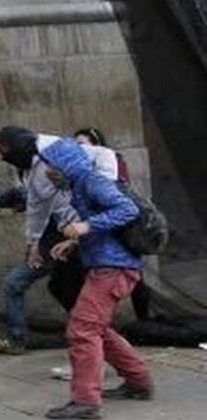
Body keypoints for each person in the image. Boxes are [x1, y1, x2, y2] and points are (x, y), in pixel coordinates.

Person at [38, 138, 153, 419]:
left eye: (52, 165)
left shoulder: (92, 182)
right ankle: (138, 382)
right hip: (108, 265)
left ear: (66, 163)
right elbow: (105, 227)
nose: (48, 171)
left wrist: (87, 226)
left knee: (82, 330)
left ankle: (86, 402)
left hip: (113, 267)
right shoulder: (80, 186)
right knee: (96, 328)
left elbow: (127, 210)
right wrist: (76, 242)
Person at [0, 126, 77, 354]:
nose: (2, 157)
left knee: (17, 282)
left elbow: (39, 207)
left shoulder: (49, 162)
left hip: (72, 236)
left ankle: (19, 339)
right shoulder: (32, 169)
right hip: (62, 237)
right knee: (62, 288)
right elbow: (31, 201)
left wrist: (36, 244)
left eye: (3, 150)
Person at [73, 127, 155, 323]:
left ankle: (143, 320)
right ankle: (100, 322)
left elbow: (123, 202)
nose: (79, 150)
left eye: (83, 145)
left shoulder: (108, 164)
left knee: (131, 274)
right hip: (98, 234)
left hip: (118, 229)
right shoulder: (82, 172)